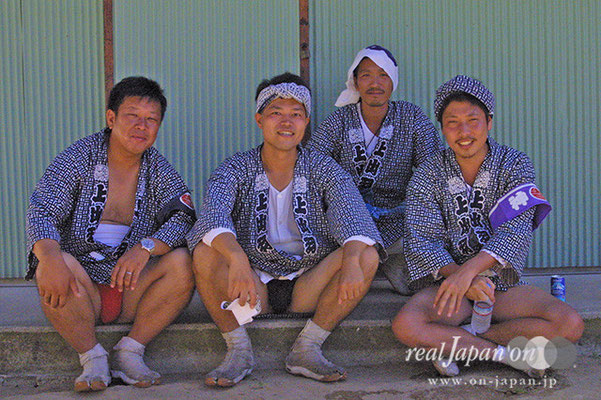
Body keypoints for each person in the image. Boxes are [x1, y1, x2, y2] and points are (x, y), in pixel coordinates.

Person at [187, 72, 384, 387]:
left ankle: (307, 347)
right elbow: (213, 215)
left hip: (309, 285)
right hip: (252, 289)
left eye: (296, 114)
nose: (286, 122)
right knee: (205, 250)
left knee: (365, 254)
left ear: (306, 123)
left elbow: (353, 215)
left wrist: (351, 260)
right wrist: (237, 259)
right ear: (259, 120)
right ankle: (238, 350)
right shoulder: (235, 167)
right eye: (276, 113)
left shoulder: (323, 168)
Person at [392, 75, 584, 377]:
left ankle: (461, 342)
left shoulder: (515, 163)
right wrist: (461, 279)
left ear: (489, 122)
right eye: (452, 122)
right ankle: (507, 356)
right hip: (450, 284)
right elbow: (421, 241)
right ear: (442, 127)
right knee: (407, 324)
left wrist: (471, 273)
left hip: (501, 285)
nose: (464, 131)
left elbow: (516, 230)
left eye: (473, 120)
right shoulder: (428, 173)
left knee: (569, 324)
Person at [26, 76, 197, 392]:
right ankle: (92, 357)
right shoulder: (78, 157)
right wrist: (48, 257)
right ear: (111, 118)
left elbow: (184, 217)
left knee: (182, 261)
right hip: (81, 288)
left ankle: (130, 350)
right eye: (132, 116)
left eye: (151, 120)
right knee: (52, 259)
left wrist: (145, 247)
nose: (141, 126)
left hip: (132, 284)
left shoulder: (158, 168)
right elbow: (43, 211)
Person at [308, 45, 442, 295]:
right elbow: (312, 164)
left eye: (383, 74)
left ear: (393, 81)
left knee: (437, 213)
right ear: (356, 81)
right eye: (366, 75)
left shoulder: (411, 117)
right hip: (348, 218)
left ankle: (392, 257)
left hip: (397, 217)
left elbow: (431, 169)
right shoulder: (339, 120)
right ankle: (365, 258)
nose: (375, 83)